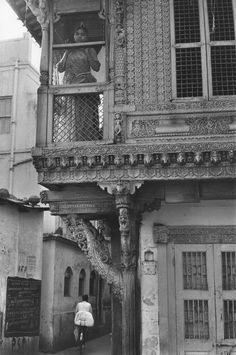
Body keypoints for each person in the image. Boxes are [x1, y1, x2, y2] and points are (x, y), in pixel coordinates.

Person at [55, 23, 102, 141]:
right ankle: (71, 139)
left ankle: (85, 138)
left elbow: (96, 67)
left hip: (84, 85)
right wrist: (66, 50)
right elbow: (60, 68)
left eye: (83, 34)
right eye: (77, 34)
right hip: (70, 86)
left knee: (85, 116)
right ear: (73, 36)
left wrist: (87, 51)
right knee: (71, 115)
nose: (80, 36)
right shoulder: (69, 50)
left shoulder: (89, 48)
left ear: (87, 36)